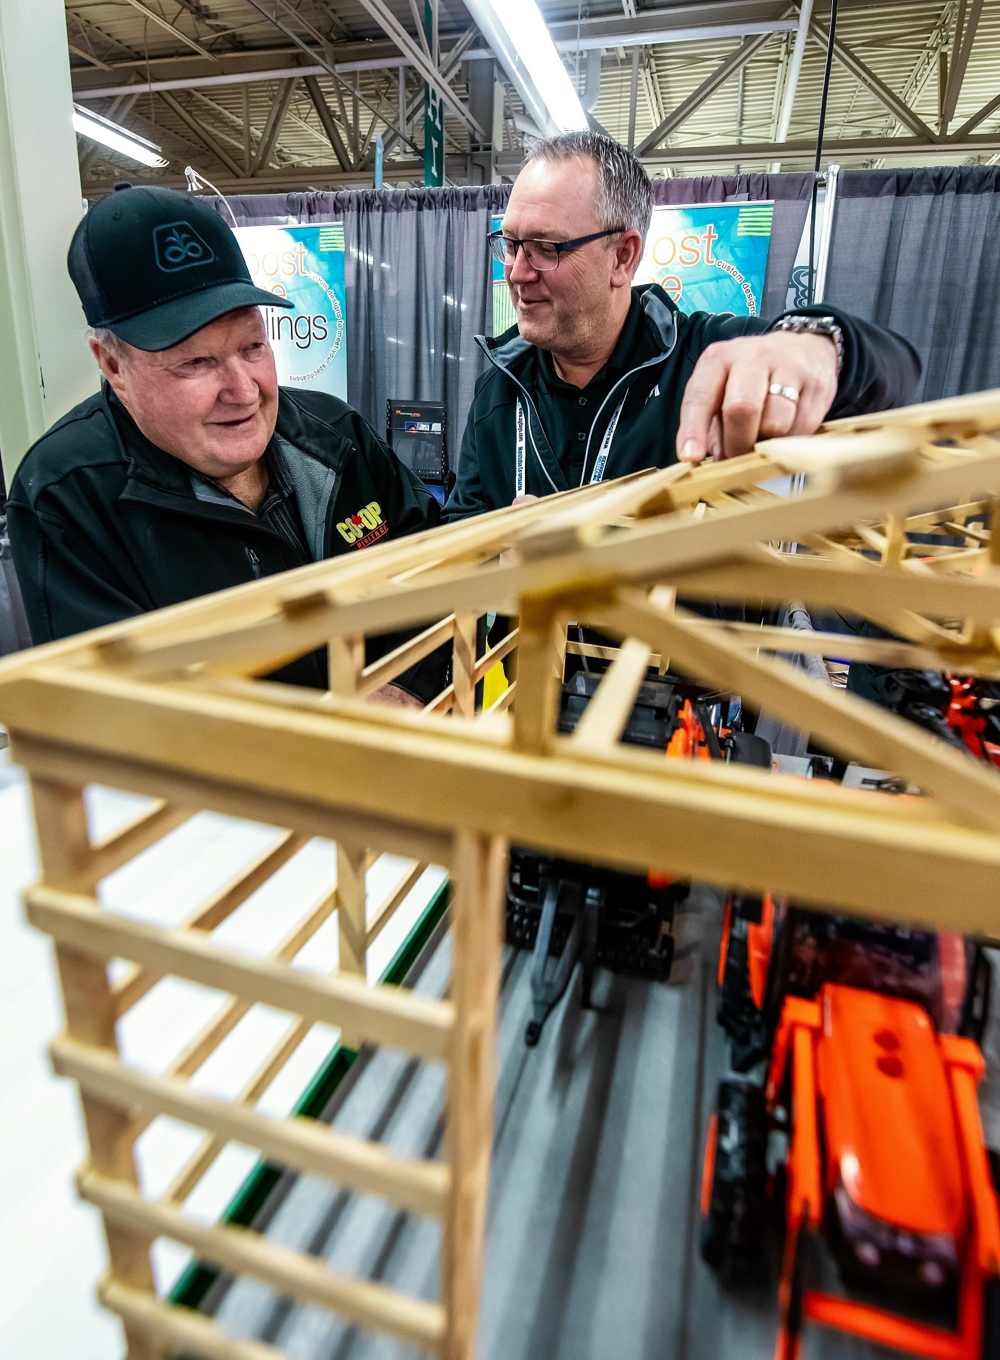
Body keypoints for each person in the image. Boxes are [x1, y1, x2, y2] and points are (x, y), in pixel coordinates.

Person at [7, 185, 441, 702]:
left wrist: (406, 688)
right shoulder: (66, 495)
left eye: (254, 346)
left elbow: (436, 570)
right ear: (112, 365)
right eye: (196, 362)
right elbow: (112, 715)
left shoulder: (336, 435)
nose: (244, 391)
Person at [443, 132, 921, 521]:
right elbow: (460, 529)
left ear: (623, 256)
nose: (517, 272)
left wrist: (820, 345)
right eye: (509, 244)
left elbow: (900, 375)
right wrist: (497, 559)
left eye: (547, 248)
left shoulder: (708, 360)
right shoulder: (497, 395)